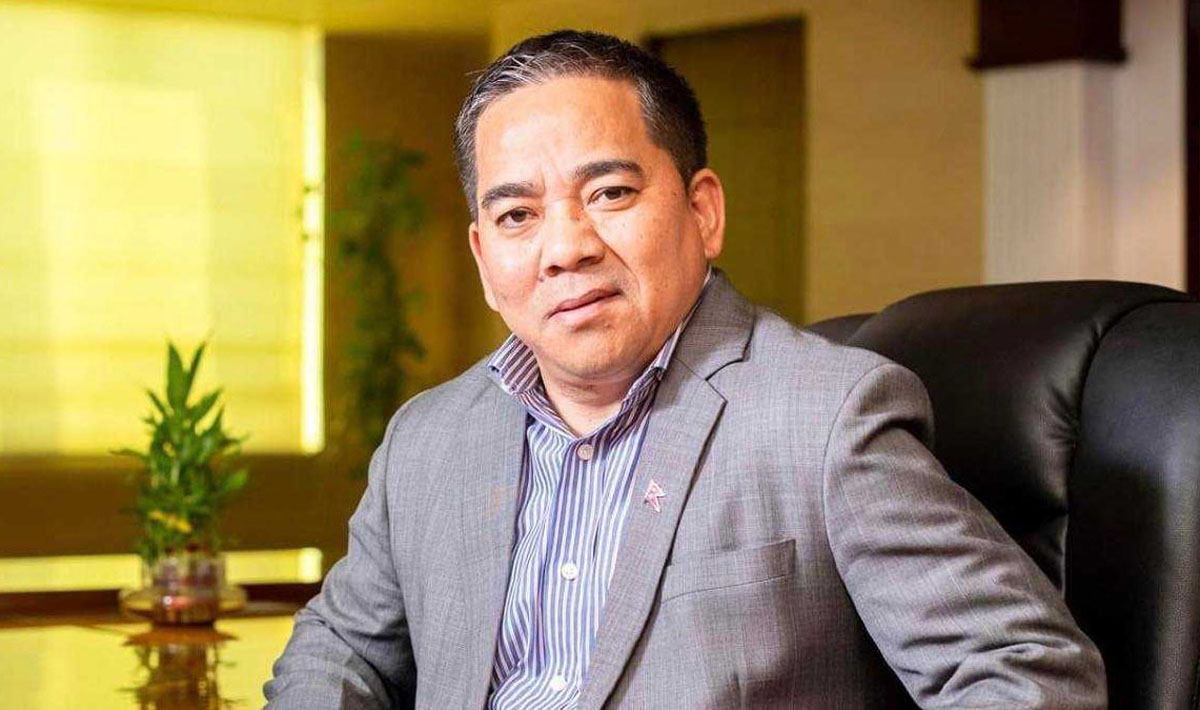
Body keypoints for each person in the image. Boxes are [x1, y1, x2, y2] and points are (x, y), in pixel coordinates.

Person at [265, 30, 1106, 709]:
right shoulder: (429, 439)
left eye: (610, 194)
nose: (565, 248)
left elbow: (1024, 677)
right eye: (518, 214)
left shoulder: (825, 419)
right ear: (486, 260)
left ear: (703, 211)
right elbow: (339, 657)